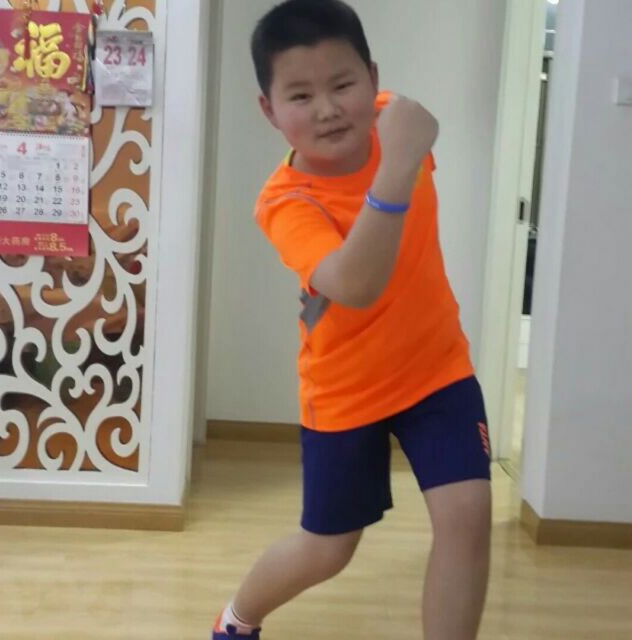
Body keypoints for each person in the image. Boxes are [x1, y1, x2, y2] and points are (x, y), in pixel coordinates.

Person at [213, 1, 492, 638]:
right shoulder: (285, 201)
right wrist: (397, 166)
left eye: (343, 85)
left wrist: (403, 146)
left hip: (436, 367)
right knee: (329, 548)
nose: (327, 109)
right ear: (269, 110)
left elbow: (412, 129)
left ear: (372, 78)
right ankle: (236, 619)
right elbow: (355, 285)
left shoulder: (397, 122)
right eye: (300, 95)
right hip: (345, 389)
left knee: (468, 515)